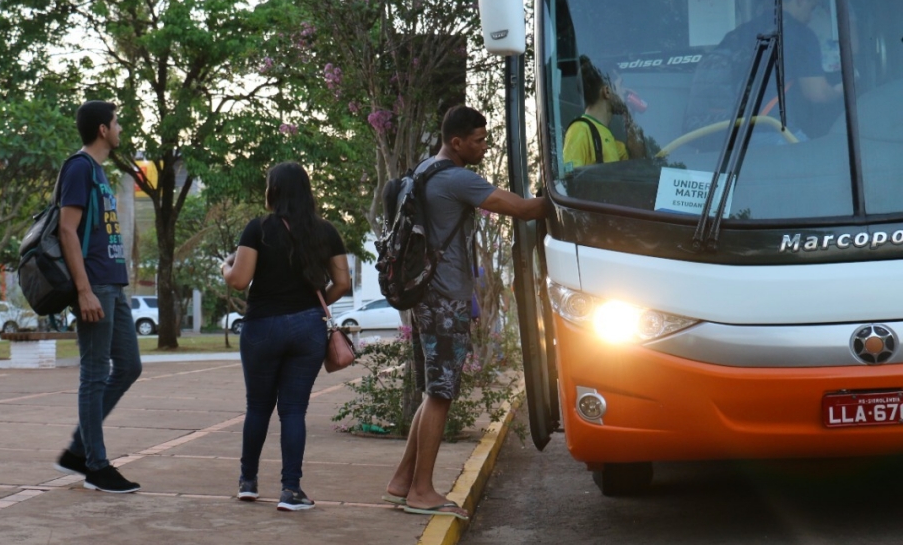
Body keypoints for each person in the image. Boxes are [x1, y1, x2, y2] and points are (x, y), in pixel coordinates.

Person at [385, 105, 550, 520]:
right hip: (444, 300)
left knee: (433, 391)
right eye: (478, 140)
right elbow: (524, 209)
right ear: (455, 143)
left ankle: (403, 481)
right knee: (441, 394)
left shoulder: (424, 171)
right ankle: (422, 490)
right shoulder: (458, 179)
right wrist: (565, 197)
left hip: (426, 297)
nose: (484, 145)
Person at [221, 161, 351, 512]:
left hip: (262, 325)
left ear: (272, 191)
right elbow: (342, 283)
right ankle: (290, 491)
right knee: (293, 410)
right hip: (307, 328)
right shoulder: (326, 231)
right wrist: (313, 302)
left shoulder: (258, 229)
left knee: (258, 407)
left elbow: (238, 279)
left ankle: (248, 483)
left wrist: (224, 265)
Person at [51, 100, 143, 494]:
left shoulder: (99, 172)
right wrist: (84, 289)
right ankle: (96, 465)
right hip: (96, 286)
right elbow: (67, 229)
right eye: (117, 123)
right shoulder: (79, 167)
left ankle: (78, 449)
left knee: (128, 366)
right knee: (94, 374)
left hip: (113, 285)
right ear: (103, 130)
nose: (120, 128)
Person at [684, 0, 843, 139]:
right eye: (812, 8)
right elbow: (817, 94)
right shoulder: (801, 35)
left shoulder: (737, 34)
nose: (811, 17)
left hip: (729, 141)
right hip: (772, 135)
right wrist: (842, 90)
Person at [562, 55, 641, 169]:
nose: (624, 91)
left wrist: (629, 115)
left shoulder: (612, 142)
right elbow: (570, 181)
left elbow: (639, 164)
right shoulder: (579, 130)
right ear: (607, 92)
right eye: (621, 85)